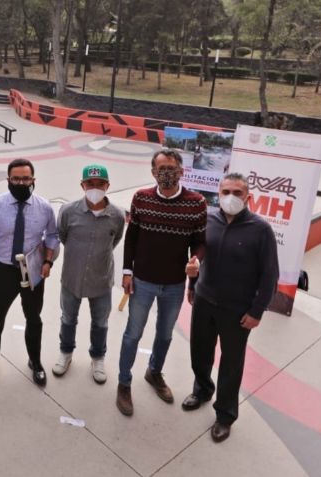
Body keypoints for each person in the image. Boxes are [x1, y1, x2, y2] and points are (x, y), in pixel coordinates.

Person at [182, 172, 279, 443]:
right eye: (226, 192)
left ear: (248, 197)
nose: (231, 197)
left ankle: (225, 414)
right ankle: (202, 390)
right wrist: (192, 285)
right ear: (218, 194)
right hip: (204, 301)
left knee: (231, 363)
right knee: (200, 351)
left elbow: (269, 275)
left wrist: (257, 311)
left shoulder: (261, 230)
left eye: (237, 193)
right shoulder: (208, 221)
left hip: (237, 311)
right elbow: (199, 258)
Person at [116, 149, 207, 417]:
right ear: (153, 172)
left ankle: (154, 371)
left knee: (165, 335)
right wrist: (126, 272)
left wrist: (196, 263)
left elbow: (200, 242)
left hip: (175, 284)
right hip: (142, 281)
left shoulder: (196, 202)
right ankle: (123, 383)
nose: (166, 173)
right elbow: (131, 237)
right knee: (133, 334)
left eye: (171, 168)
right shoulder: (141, 198)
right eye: (161, 168)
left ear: (181, 171)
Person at [0, 158, 59, 386]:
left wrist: (48, 262)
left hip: (33, 270)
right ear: (8, 180)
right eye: (16, 179)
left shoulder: (44, 207)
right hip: (4, 270)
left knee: (34, 319)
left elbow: (52, 236)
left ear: (33, 180)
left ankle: (35, 361)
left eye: (25, 178)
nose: (21, 183)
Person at [52, 165, 124, 384]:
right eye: (90, 184)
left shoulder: (117, 215)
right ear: (82, 185)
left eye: (100, 184)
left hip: (101, 279)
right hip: (72, 278)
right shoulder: (67, 211)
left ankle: (98, 357)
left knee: (100, 321)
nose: (95, 188)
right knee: (68, 318)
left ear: (107, 186)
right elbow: (63, 237)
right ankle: (66, 353)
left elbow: (115, 240)